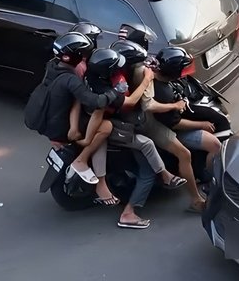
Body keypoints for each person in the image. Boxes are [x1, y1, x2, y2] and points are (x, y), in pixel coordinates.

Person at [85, 48, 187, 229]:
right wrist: (147, 79)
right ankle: (129, 213)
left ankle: (165, 175)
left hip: (108, 123)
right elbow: (132, 102)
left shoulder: (93, 76)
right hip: (110, 126)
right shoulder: (109, 89)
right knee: (147, 167)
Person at [111, 37, 207, 213]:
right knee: (184, 153)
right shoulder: (141, 72)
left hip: (129, 118)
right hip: (145, 120)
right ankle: (195, 199)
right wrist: (175, 105)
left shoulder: (120, 73)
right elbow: (149, 105)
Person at [42, 32, 120, 190]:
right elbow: (97, 102)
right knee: (106, 125)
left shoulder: (53, 66)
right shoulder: (75, 74)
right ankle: (87, 164)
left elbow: (77, 99)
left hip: (56, 120)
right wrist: (115, 91)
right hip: (67, 121)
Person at [151, 47, 222, 212]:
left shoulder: (161, 78)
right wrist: (202, 124)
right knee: (211, 146)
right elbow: (175, 123)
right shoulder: (163, 93)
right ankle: (198, 197)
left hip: (174, 119)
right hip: (173, 130)